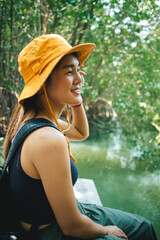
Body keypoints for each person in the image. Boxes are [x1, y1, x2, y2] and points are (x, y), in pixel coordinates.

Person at [4, 34, 159, 240]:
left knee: (144, 227)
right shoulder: (47, 139)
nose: (79, 78)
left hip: (61, 217)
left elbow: (80, 132)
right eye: (69, 72)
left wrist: (76, 99)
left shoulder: (32, 118)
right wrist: (106, 230)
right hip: (51, 230)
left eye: (79, 69)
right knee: (137, 233)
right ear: (43, 83)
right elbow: (72, 226)